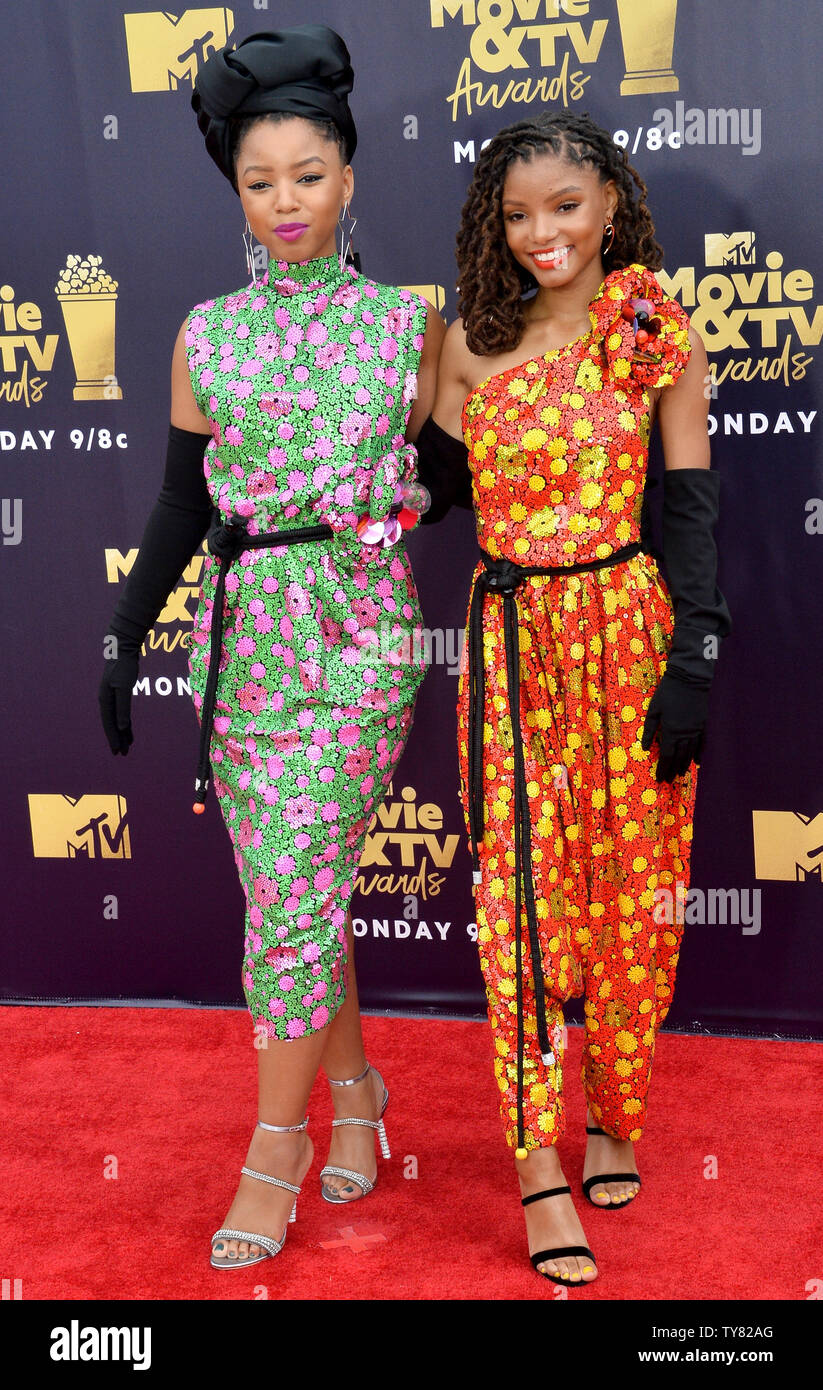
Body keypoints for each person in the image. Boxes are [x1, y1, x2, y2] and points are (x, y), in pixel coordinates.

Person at [98, 25, 444, 1270]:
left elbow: (466, 469)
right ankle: (356, 1094)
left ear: (350, 176)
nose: (286, 201)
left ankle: (273, 1149)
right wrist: (124, 630)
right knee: (295, 889)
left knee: (293, 890)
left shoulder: (412, 325)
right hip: (240, 644)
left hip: (355, 635)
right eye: (260, 180)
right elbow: (182, 504)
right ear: (235, 193)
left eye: (309, 173)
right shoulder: (206, 334)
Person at [414, 110, 731, 1286]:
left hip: (628, 636)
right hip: (510, 648)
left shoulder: (648, 324)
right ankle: (537, 1159)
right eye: (516, 212)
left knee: (633, 895)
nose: (542, 232)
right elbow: (431, 490)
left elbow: (687, 503)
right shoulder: (465, 344)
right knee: (524, 902)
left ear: (610, 207)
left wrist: (694, 657)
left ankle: (615, 1112)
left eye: (564, 205)